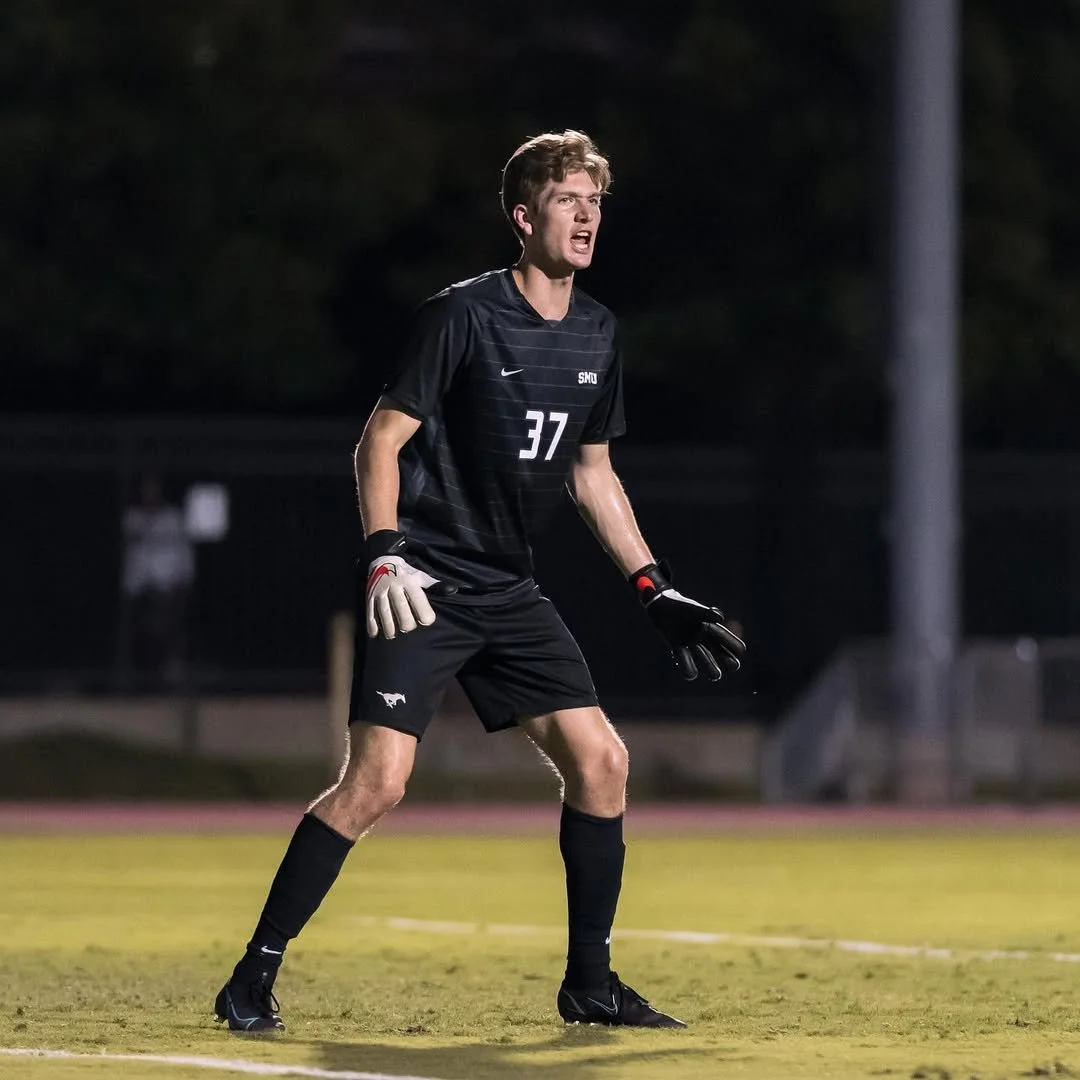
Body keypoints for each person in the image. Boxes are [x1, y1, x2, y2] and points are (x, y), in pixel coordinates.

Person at [214, 130, 746, 1034]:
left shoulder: (599, 331)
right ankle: (251, 976)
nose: (586, 216)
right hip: (419, 578)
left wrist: (653, 588)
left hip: (507, 586)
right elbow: (379, 441)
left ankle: (591, 985)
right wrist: (383, 549)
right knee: (379, 781)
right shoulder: (461, 315)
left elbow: (592, 475)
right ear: (522, 215)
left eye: (596, 202)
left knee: (603, 762)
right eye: (568, 199)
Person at [118, 473, 195, 688]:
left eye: (154, 488)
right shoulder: (132, 519)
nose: (150, 493)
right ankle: (139, 678)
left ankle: (171, 671)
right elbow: (132, 554)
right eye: (146, 489)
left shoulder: (172, 518)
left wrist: (183, 578)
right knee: (141, 633)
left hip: (168, 587)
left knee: (168, 627)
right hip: (139, 589)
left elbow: (184, 551)